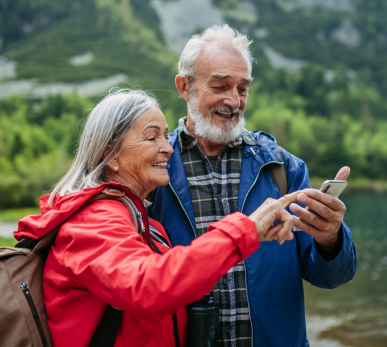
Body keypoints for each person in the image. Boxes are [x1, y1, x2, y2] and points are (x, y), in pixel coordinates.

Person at [13, 89, 301, 347]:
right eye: (152, 137)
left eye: (165, 135)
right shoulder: (93, 220)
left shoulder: (140, 219)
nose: (168, 147)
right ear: (110, 154)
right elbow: (148, 285)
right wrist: (245, 229)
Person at [148, 25, 357, 347]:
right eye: (220, 86)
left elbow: (329, 277)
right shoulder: (153, 168)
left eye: (243, 89)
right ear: (184, 87)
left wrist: (330, 238)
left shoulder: (284, 168)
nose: (233, 101)